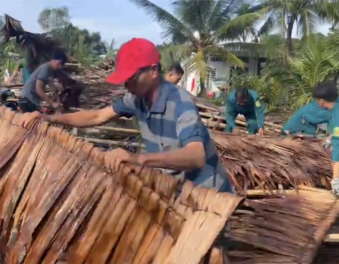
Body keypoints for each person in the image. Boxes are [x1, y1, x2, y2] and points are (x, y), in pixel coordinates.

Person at [21, 38, 233, 193]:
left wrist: (137, 158)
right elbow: (96, 117)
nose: (126, 85)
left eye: (131, 78)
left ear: (152, 71)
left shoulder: (179, 102)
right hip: (177, 189)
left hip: (208, 194)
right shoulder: (136, 98)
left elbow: (196, 156)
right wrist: (49, 119)